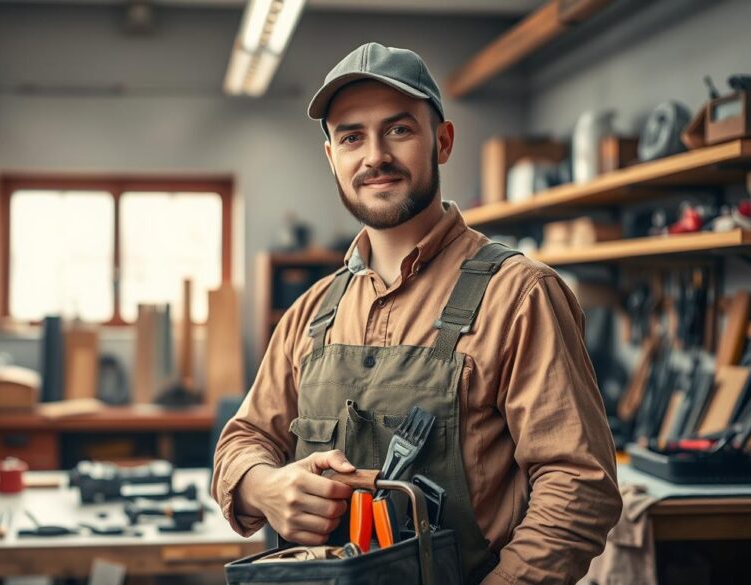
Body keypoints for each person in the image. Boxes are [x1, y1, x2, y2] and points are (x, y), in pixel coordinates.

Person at [212, 42, 622, 584]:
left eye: (399, 130)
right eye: (352, 136)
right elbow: (242, 442)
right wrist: (264, 486)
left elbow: (577, 486)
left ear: (442, 142)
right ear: (332, 156)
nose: (374, 155)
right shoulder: (311, 314)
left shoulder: (520, 295)